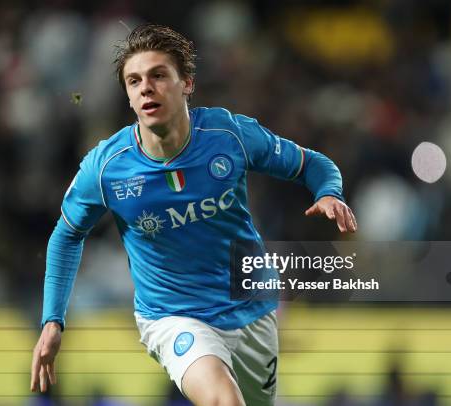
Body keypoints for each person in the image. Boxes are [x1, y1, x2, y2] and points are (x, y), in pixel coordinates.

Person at [30, 23, 357, 406]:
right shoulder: (106, 168)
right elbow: (67, 235)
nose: (146, 88)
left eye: (158, 75)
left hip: (251, 307)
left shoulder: (228, 135)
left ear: (187, 83)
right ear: (129, 98)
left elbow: (311, 164)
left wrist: (329, 193)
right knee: (223, 401)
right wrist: (53, 320)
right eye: (134, 81)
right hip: (172, 316)